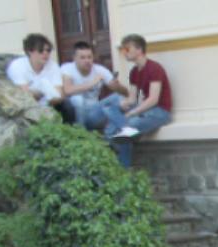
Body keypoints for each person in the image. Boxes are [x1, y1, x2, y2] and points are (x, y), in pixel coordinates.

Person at [101, 34, 172, 167]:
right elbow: (132, 99)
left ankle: (124, 168)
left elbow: (153, 100)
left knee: (127, 128)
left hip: (160, 112)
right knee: (109, 108)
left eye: (127, 49)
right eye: (123, 49)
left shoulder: (154, 68)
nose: (124, 53)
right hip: (145, 109)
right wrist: (120, 104)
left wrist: (131, 113)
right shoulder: (134, 71)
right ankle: (115, 141)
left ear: (139, 50)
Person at [5, 33, 73, 123]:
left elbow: (59, 95)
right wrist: (44, 92)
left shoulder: (52, 65)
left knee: (68, 105)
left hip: (49, 103)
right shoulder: (18, 66)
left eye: (48, 50)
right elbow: (23, 95)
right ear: (30, 51)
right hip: (24, 106)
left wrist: (46, 95)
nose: (45, 53)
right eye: (41, 50)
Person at [59, 41, 119, 130]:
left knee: (117, 97)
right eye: (82, 57)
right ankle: (81, 133)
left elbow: (118, 89)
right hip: (76, 114)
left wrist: (116, 85)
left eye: (89, 57)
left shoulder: (100, 70)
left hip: (94, 111)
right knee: (77, 99)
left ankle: (120, 134)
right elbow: (67, 90)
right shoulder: (67, 68)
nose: (87, 60)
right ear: (74, 58)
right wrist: (92, 83)